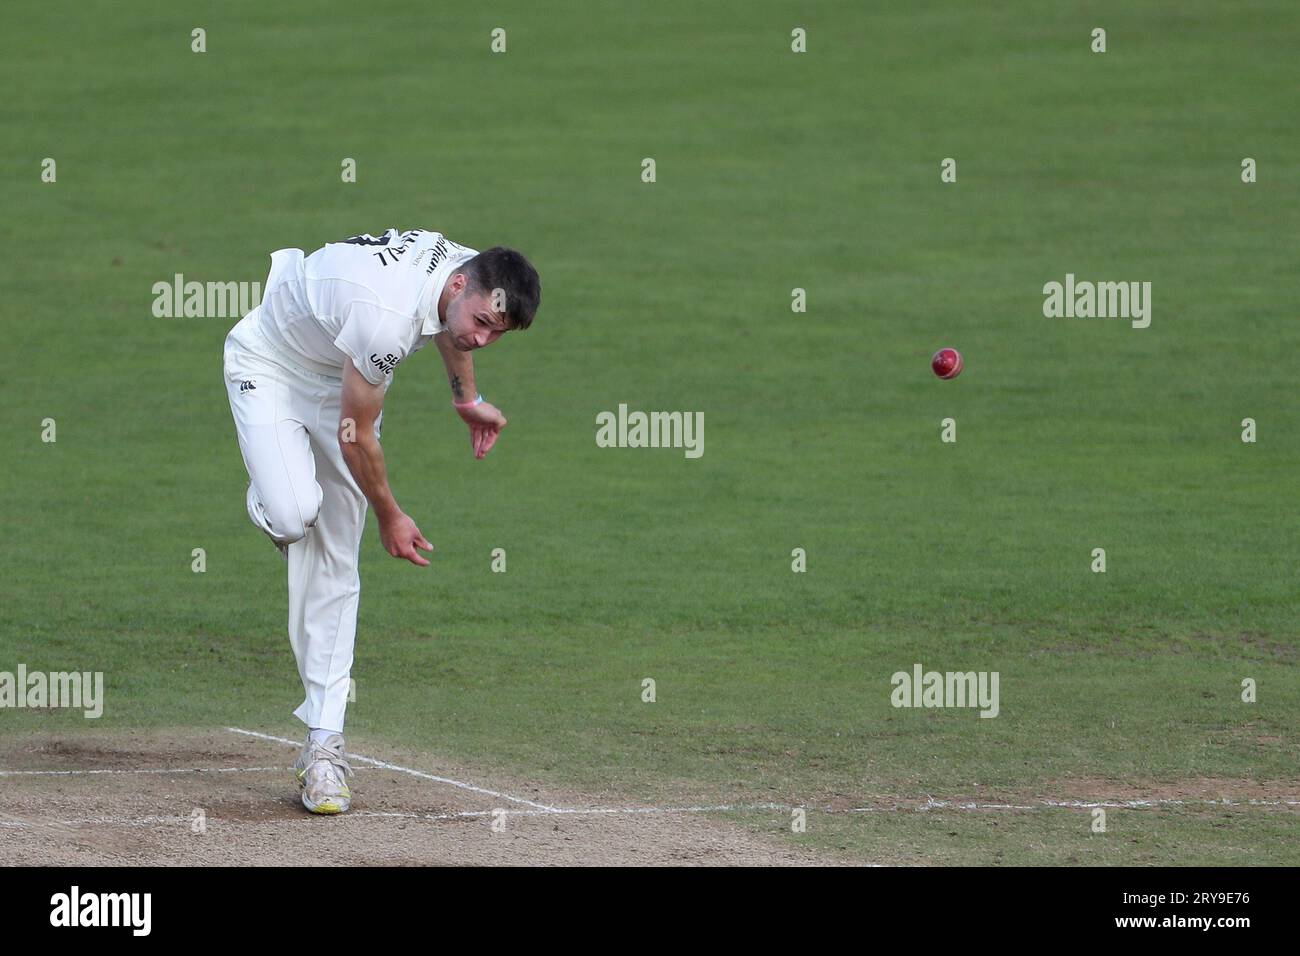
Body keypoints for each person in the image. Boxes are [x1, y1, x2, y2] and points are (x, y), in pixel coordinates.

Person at [221, 228, 541, 813]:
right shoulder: (383, 316)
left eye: (497, 332)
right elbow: (356, 435)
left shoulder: (464, 278)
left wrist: (465, 399)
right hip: (270, 365)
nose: (483, 338)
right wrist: (391, 516)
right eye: (484, 322)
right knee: (295, 516)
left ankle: (323, 747)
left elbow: (454, 328)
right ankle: (273, 499)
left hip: (338, 375)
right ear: (461, 283)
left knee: (336, 560)